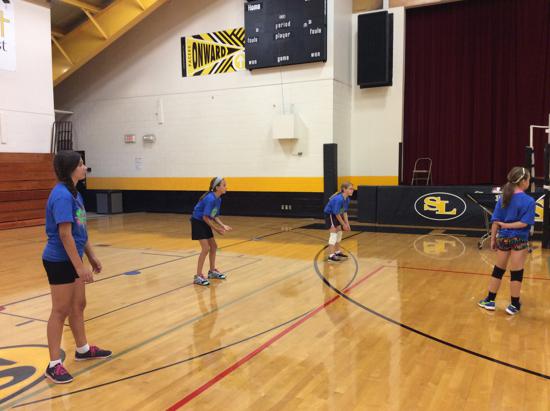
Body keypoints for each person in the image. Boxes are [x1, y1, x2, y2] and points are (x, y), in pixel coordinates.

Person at [43, 151, 111, 384]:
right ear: (71, 168)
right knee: (60, 310)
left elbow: (80, 231)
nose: (85, 167)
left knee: (78, 305)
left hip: (73, 258)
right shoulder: (62, 195)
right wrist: (80, 267)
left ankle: (82, 349)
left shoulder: (74, 193)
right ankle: (53, 365)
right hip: (59, 260)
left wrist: (91, 256)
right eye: (81, 164)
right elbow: (65, 234)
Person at [478, 167, 535, 315]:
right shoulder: (529, 201)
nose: (529, 182)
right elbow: (524, 223)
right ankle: (514, 305)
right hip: (519, 239)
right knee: (516, 273)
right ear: (523, 181)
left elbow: (495, 221)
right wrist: (507, 225)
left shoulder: (504, 198)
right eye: (529, 179)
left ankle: (490, 300)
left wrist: (493, 238)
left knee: (498, 270)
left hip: (503, 238)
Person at [190, 177, 232, 286]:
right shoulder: (210, 199)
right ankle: (198, 276)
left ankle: (212, 271)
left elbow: (214, 215)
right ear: (217, 188)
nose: (226, 187)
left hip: (205, 221)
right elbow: (205, 217)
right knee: (205, 248)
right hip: (198, 221)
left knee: (214, 246)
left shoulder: (218, 199)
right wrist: (216, 229)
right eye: (224, 185)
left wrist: (222, 225)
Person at [323, 182, 354, 262]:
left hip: (336, 214)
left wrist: (347, 224)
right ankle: (331, 256)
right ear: (344, 189)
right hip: (330, 215)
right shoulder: (339, 199)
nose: (352, 190)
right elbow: (336, 213)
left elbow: (344, 212)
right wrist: (343, 224)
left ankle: (337, 252)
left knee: (339, 233)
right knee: (333, 234)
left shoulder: (347, 199)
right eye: (350, 189)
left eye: (352, 189)